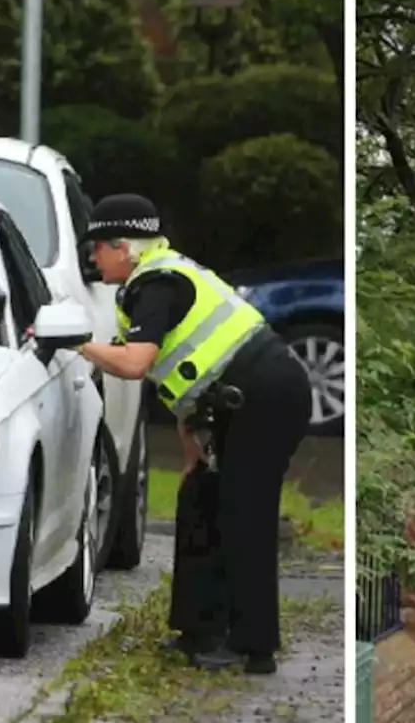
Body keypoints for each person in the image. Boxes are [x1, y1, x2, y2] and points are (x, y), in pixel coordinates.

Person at [73, 194, 311, 674]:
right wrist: (192, 455)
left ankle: (253, 646)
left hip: (265, 391)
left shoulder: (158, 283)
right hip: (229, 398)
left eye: (97, 247)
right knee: (200, 498)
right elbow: (186, 375)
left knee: (245, 514)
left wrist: (76, 344)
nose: (93, 257)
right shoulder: (154, 278)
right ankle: (199, 629)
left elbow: (137, 364)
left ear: (123, 246)